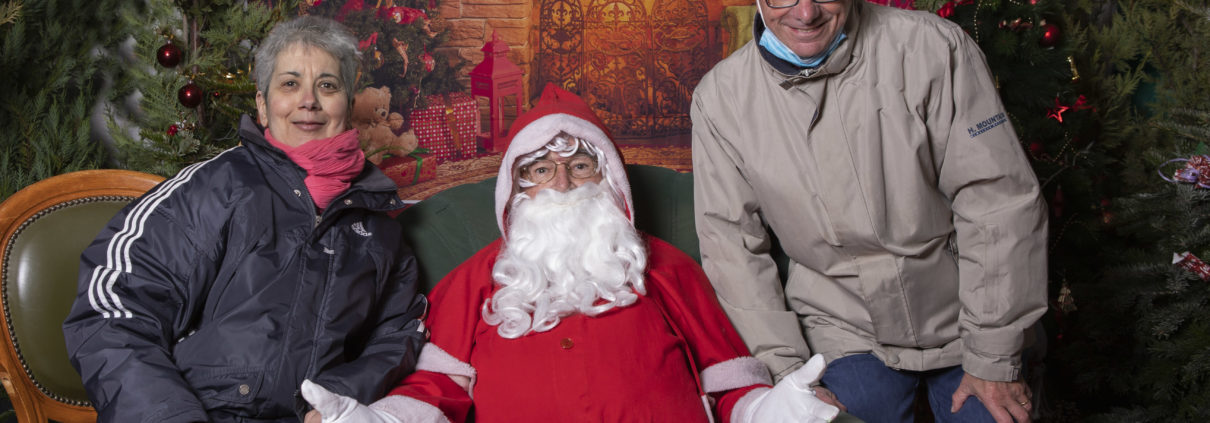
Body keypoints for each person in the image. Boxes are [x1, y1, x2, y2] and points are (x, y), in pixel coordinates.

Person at [297, 83, 842, 423]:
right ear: (515, 188)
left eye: (580, 167)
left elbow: (730, 382)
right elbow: (436, 389)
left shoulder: (666, 269)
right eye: (541, 170)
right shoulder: (474, 280)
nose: (561, 184)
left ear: (610, 181)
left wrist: (776, 410)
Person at [690, 1, 1048, 423]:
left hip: (965, 316)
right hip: (840, 330)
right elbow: (732, 248)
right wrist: (786, 375)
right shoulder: (722, 99)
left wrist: (993, 355)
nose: (805, 13)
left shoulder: (933, 46)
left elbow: (997, 201)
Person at [62, 16, 427, 423]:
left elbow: (397, 333)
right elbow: (111, 310)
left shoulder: (377, 224)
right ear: (263, 106)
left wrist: (335, 401)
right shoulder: (213, 188)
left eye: (327, 85)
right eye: (290, 84)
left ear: (348, 103)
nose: (309, 100)